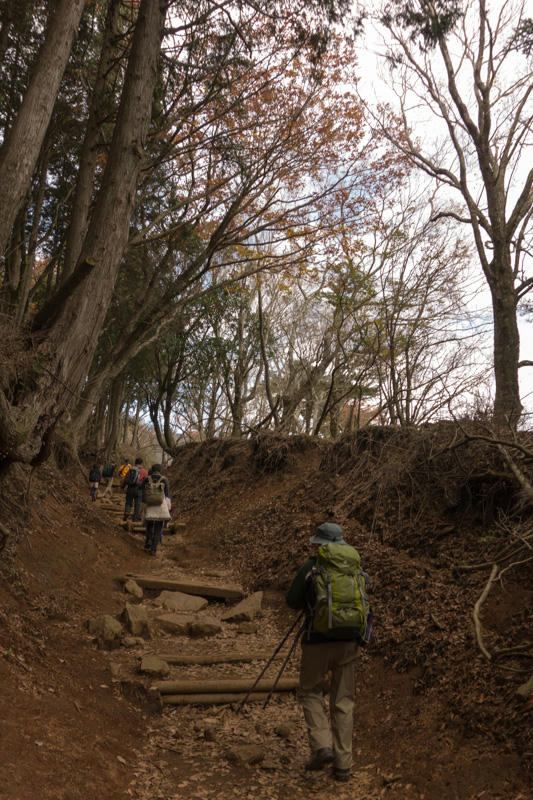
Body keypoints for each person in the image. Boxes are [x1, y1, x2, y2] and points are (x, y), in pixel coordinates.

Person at [286, 521, 367, 783]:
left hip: (317, 642)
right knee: (343, 702)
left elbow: (291, 600)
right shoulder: (354, 566)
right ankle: (343, 766)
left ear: (319, 543)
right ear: (342, 543)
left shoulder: (313, 566)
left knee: (310, 691)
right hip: (349, 643)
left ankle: (322, 745)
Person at [140, 463, 170, 556]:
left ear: (152, 470)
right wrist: (168, 507)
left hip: (150, 505)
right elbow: (167, 494)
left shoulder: (147, 479)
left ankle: (148, 541)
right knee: (158, 528)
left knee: (149, 524)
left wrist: (143, 505)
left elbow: (142, 491)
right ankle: (153, 549)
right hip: (161, 506)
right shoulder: (164, 480)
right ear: (160, 470)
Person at [121, 457, 147, 521]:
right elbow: (146, 481)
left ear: (135, 462)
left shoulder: (130, 469)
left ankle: (127, 513)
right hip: (139, 489)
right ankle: (135, 518)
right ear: (141, 463)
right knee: (137, 504)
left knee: (128, 502)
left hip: (130, 488)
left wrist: (123, 486)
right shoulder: (144, 471)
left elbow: (125, 478)